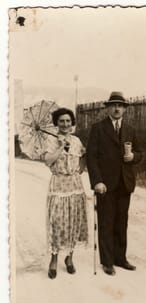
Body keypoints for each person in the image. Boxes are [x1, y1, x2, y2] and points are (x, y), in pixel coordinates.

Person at [86, 91, 142, 276]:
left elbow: (140, 154)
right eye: (113, 105)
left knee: (121, 222)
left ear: (125, 109)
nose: (117, 108)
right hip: (105, 185)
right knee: (106, 222)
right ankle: (107, 261)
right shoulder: (98, 128)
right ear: (108, 108)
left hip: (124, 183)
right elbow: (91, 158)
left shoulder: (131, 129)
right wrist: (97, 182)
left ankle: (120, 258)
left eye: (120, 105)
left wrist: (133, 156)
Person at [44, 108, 88, 279]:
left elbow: (83, 156)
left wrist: (80, 170)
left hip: (75, 186)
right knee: (57, 222)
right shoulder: (50, 140)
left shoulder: (76, 140)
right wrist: (61, 146)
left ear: (72, 123)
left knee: (74, 222)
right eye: (61, 121)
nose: (65, 124)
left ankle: (69, 258)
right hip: (58, 185)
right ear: (56, 123)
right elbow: (48, 160)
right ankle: (54, 259)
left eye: (68, 121)